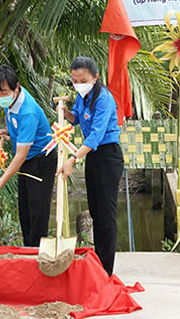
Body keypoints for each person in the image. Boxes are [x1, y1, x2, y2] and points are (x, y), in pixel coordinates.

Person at [57, 57, 123, 276]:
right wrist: (65, 113)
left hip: (108, 156)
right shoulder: (82, 95)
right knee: (95, 210)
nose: (78, 84)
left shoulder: (104, 98)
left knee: (106, 214)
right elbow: (77, 118)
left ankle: (107, 270)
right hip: (93, 157)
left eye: (83, 80)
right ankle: (100, 262)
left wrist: (72, 159)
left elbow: (95, 136)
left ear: (95, 78)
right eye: (74, 80)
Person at [0, 65, 57, 247]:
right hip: (26, 159)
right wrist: (9, 132)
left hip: (41, 160)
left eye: (3, 92)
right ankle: (28, 251)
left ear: (16, 88)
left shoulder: (28, 112)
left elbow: (20, 155)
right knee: (25, 210)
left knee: (38, 212)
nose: (0, 97)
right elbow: (20, 133)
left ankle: (38, 253)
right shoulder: (11, 102)